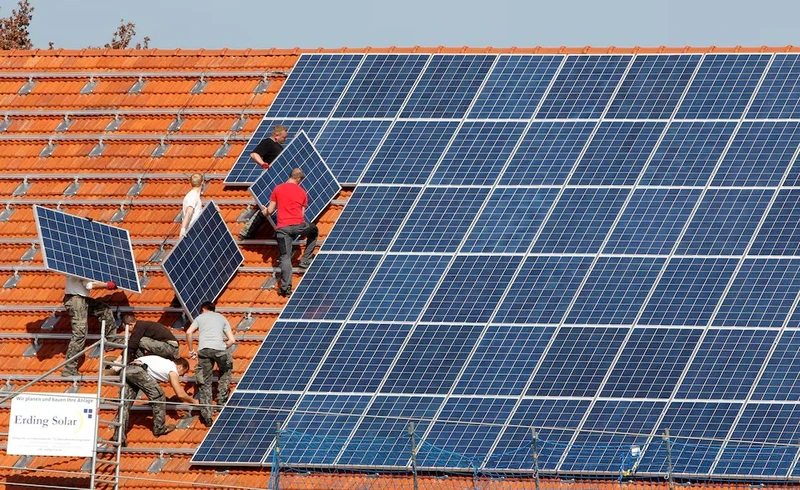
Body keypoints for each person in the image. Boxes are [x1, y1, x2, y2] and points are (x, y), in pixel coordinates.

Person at [114, 355, 197, 446]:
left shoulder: (162, 362)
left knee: (124, 405)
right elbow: (180, 394)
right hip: (139, 371)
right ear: (180, 367)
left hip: (127, 369)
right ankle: (159, 428)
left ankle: (118, 436)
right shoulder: (172, 369)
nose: (181, 376)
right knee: (159, 396)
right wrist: (193, 401)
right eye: (182, 373)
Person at [265, 167, 318, 297]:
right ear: (299, 179)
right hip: (298, 226)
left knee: (285, 257)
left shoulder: (278, 188)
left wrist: (264, 212)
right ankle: (305, 260)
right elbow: (302, 215)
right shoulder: (302, 192)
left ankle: (285, 288)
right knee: (314, 230)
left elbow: (270, 210)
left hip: (283, 229)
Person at [185, 301, 236, 426]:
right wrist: (222, 347)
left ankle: (207, 416)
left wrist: (191, 350)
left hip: (203, 351)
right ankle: (221, 400)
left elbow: (188, 332)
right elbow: (232, 340)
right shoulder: (222, 318)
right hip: (220, 350)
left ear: (203, 309)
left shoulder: (200, 317)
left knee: (204, 383)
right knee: (226, 369)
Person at [238, 124, 289, 240]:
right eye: (284, 137)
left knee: (275, 206)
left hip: (278, 180)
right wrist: (263, 164)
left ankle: (278, 230)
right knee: (266, 206)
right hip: (271, 180)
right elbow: (254, 154)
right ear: (276, 136)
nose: (285, 139)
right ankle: (246, 232)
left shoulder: (278, 147)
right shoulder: (267, 143)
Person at [62, 275, 118, 377]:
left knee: (105, 310)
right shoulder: (80, 266)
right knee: (80, 334)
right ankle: (69, 369)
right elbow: (89, 285)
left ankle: (110, 342)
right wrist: (107, 285)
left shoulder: (81, 263)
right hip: (75, 300)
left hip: (81, 299)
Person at [110, 314, 180, 369]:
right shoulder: (143, 326)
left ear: (130, 325)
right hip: (167, 348)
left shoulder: (139, 327)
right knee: (137, 343)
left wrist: (118, 361)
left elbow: (131, 346)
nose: (129, 331)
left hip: (170, 348)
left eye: (127, 329)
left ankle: (126, 362)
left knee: (140, 340)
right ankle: (142, 361)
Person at [179, 173, 203, 238]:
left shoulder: (194, 195)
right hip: (192, 232)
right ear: (202, 183)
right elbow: (189, 212)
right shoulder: (193, 196)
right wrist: (183, 229)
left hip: (196, 231)